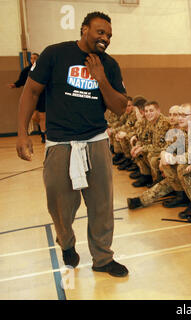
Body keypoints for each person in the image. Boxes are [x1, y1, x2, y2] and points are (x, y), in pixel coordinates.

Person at [16, 11, 129, 277]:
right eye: (100, 32)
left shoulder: (109, 65)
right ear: (84, 29)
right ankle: (66, 242)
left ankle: (102, 258)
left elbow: (121, 107)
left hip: (95, 140)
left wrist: (100, 79)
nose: (105, 38)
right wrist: (23, 132)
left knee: (102, 205)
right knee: (59, 205)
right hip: (60, 142)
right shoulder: (55, 54)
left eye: (109, 35)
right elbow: (31, 91)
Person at [7, 52, 47, 143]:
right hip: (33, 96)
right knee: (34, 117)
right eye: (32, 58)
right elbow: (21, 80)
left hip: (43, 95)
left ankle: (44, 135)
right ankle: (44, 130)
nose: (33, 60)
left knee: (42, 116)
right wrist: (15, 85)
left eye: (35, 58)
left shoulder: (43, 69)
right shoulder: (27, 70)